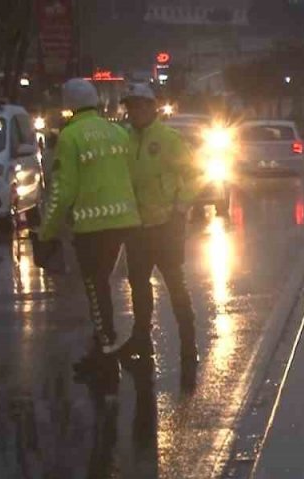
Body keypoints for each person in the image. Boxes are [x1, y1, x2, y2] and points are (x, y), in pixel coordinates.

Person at [39, 78, 142, 384]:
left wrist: (48, 231)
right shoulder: (117, 131)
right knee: (105, 284)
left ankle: (106, 353)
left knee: (96, 288)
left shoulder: (70, 138)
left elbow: (62, 191)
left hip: (91, 225)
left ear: (69, 105)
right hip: (125, 221)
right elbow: (133, 174)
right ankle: (109, 345)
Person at [119, 83, 200, 366]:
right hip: (136, 227)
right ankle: (141, 340)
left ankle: (188, 344)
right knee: (139, 285)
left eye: (140, 105)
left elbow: (194, 175)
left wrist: (180, 207)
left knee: (175, 284)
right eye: (130, 106)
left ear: (152, 107)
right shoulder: (124, 138)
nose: (135, 111)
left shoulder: (169, 138)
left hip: (166, 224)